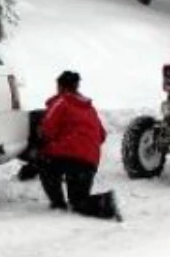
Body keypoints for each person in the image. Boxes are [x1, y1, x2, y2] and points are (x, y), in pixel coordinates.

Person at [37, 70, 120, 220]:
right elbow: (102, 135)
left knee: (44, 161)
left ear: (60, 86)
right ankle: (105, 202)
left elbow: (46, 130)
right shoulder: (90, 108)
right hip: (89, 162)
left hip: (68, 157)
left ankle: (58, 203)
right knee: (78, 202)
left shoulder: (61, 102)